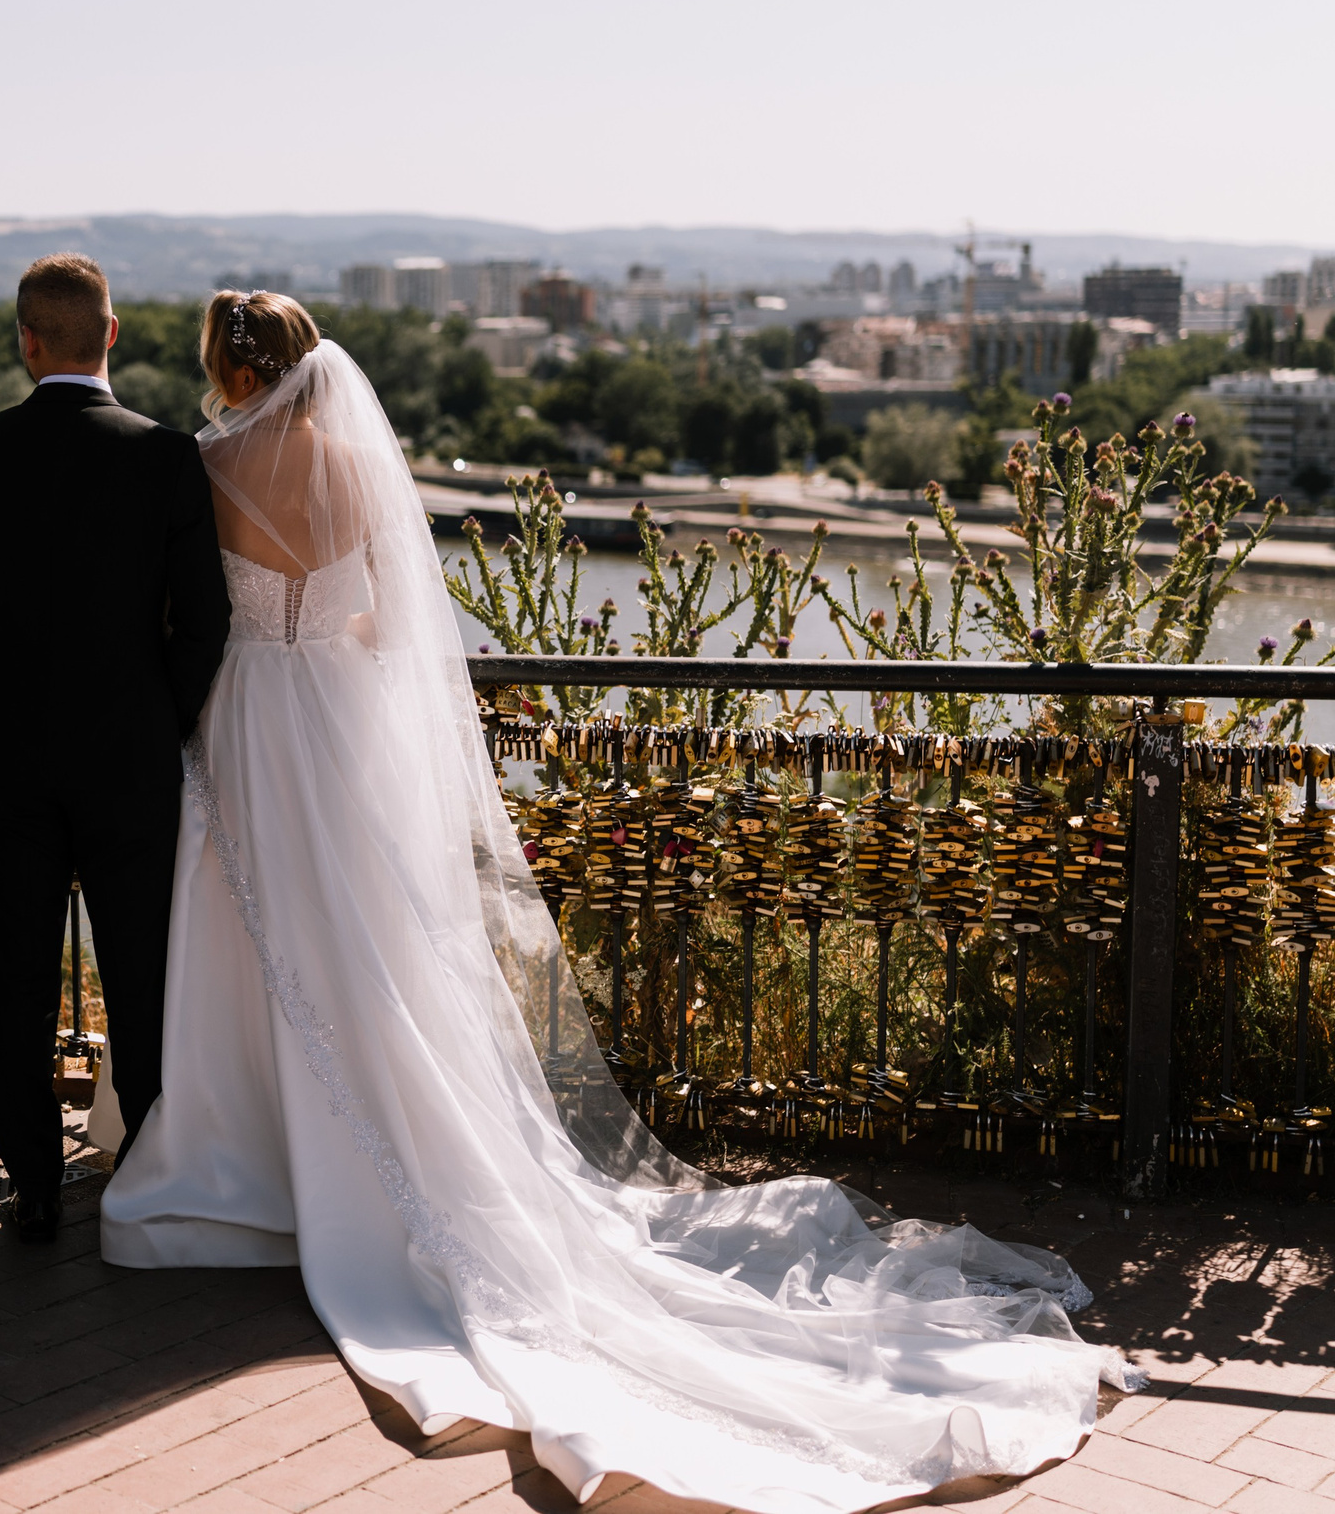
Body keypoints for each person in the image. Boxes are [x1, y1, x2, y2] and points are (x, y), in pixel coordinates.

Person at [98, 290, 1138, 1514]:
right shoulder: (351, 462)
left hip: (245, 718)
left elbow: (184, 607)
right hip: (334, 720)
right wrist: (325, 640)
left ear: (226, 366)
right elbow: (390, 622)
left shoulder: (202, 459)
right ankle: (369, 1153)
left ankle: (244, 1161)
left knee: (246, 932)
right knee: (367, 950)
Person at [0, 252, 231, 1244]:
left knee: (21, 976)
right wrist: (158, 714)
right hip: (130, 755)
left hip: (15, 754)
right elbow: (207, 622)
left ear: (26, 341)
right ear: (112, 334)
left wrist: (6, 678)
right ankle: (144, 1175)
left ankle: (34, 1185)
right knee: (139, 972)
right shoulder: (165, 454)